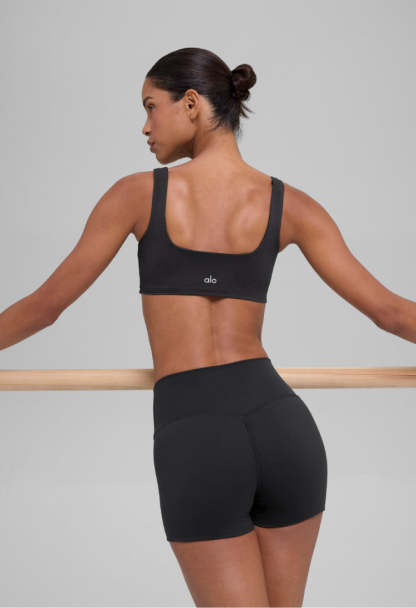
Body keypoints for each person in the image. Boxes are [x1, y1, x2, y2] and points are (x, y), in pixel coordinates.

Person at [1, 47, 414, 607]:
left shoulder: (136, 195)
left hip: (197, 437)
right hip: (282, 428)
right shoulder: (292, 205)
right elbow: (393, 312)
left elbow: (44, 307)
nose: (145, 127)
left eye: (151, 106)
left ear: (191, 104)